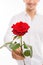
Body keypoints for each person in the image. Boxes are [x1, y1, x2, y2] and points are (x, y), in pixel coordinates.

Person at [4, 0, 43, 65]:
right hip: (22, 62)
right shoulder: (16, 18)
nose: (31, 2)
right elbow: (7, 37)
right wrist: (14, 48)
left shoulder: (42, 20)